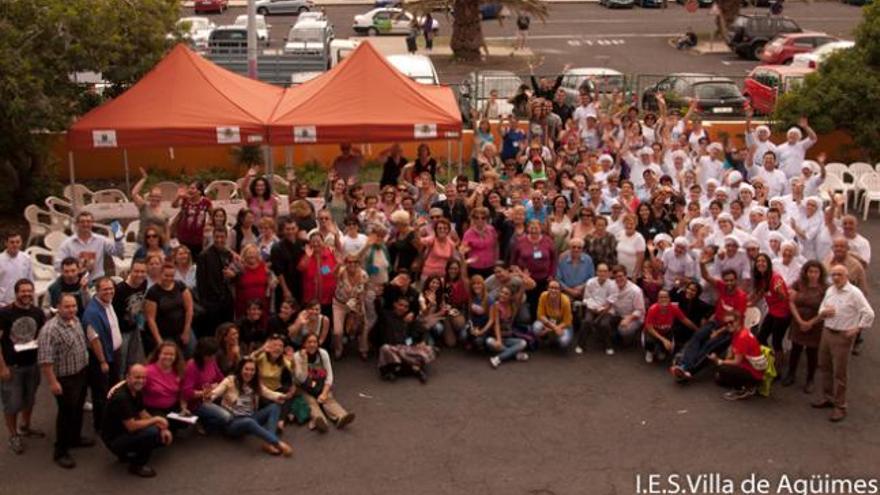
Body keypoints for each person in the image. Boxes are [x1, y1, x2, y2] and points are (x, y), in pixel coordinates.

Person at [38, 294, 108, 469]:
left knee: (77, 410)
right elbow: (46, 361)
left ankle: (75, 438)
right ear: (58, 307)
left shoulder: (76, 320)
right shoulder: (49, 330)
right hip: (65, 379)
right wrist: (53, 383)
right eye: (67, 307)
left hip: (81, 373)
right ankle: (61, 451)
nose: (71, 310)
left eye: (73, 306)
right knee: (66, 414)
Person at [812, 265, 874, 422]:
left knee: (840, 373)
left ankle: (840, 406)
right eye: (833, 275)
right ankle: (828, 397)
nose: (836, 277)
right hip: (827, 332)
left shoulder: (854, 293)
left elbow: (869, 313)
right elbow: (821, 310)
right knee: (824, 366)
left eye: (839, 274)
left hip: (842, 336)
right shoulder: (830, 290)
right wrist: (823, 313)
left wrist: (857, 328)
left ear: (846, 276)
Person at [208, 357, 293, 456]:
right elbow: (216, 393)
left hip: (250, 417)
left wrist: (282, 396)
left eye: (252, 370)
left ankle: (268, 443)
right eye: (246, 369)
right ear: (240, 369)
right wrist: (209, 395)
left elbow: (268, 392)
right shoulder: (230, 380)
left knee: (274, 407)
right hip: (233, 423)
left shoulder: (255, 382)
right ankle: (277, 443)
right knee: (249, 421)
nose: (249, 372)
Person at [101, 364, 173, 477]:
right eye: (137, 377)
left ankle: (127, 453)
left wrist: (162, 428)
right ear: (128, 377)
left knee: (159, 434)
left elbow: (142, 412)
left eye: (143, 378)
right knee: (152, 433)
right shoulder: (121, 398)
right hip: (114, 439)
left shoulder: (135, 389)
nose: (141, 380)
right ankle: (137, 465)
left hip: (122, 432)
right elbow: (132, 426)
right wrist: (156, 420)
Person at [0, 279, 46, 454]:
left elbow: (41, 335)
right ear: (16, 293)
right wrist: (2, 367)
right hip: (12, 366)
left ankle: (25, 427)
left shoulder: (38, 312)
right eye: (23, 291)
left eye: (29, 291)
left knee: (30, 398)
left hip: (32, 364)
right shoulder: (5, 313)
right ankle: (13, 435)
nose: (27, 294)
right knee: (11, 404)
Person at [81, 277, 124, 433]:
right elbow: (94, 340)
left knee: (114, 388)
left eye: (111, 288)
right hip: (103, 358)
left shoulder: (108, 303)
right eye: (105, 289)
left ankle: (112, 418)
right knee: (101, 393)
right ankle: (102, 425)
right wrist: (103, 361)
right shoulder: (92, 312)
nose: (109, 292)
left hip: (114, 354)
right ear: (97, 291)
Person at [293, 333, 355, 433]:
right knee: (311, 402)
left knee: (328, 399)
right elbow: (301, 378)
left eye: (314, 342)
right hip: (304, 387)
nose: (312, 345)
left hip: (320, 384)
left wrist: (325, 393)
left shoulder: (323, 354)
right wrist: (304, 361)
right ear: (304, 344)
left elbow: (329, 375)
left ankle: (341, 416)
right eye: (309, 342)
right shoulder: (297, 356)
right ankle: (319, 420)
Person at [783, 260, 827, 393]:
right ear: (806, 272)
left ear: (820, 273)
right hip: (798, 321)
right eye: (810, 271)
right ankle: (791, 374)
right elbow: (791, 303)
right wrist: (800, 321)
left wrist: (810, 323)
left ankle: (810, 379)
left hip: (815, 324)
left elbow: (825, 310)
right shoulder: (798, 284)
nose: (813, 274)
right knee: (796, 349)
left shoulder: (825, 288)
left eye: (816, 272)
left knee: (812, 352)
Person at [706, 312, 765, 401]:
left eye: (731, 322)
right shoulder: (739, 332)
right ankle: (744, 384)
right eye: (726, 323)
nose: (728, 325)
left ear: (739, 321)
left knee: (722, 368)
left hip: (754, 373)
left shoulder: (742, 337)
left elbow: (736, 361)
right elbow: (732, 352)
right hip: (748, 366)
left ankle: (743, 389)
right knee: (719, 378)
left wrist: (718, 360)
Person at [378, 296, 435, 382]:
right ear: (395, 305)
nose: (402, 308)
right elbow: (377, 307)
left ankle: (398, 370)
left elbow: (424, 332)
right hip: (394, 348)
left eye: (406, 307)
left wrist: (423, 341)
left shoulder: (410, 319)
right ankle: (414, 369)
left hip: (407, 349)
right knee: (385, 349)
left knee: (428, 349)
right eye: (400, 305)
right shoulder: (386, 315)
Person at [55, 211, 124, 282]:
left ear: (92, 223)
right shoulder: (67, 243)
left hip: (97, 280)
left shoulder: (101, 240)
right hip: (75, 281)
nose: (85, 224)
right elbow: (57, 265)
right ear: (77, 224)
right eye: (82, 222)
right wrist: (76, 269)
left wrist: (118, 238)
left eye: (88, 221)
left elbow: (118, 252)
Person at [144, 263, 194, 355]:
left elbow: (189, 308)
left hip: (183, 329)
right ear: (160, 274)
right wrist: (159, 340)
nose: (169, 278)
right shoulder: (153, 292)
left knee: (191, 353)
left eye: (172, 276)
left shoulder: (180, 286)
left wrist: (186, 330)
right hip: (165, 334)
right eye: (166, 275)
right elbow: (150, 319)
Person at [181, 337, 230, 431]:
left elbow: (220, 378)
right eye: (210, 355)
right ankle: (203, 423)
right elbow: (187, 393)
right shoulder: (192, 366)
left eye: (214, 354)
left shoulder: (212, 361)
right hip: (196, 403)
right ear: (202, 354)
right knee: (226, 417)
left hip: (210, 396)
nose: (213, 357)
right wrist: (206, 391)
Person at [196, 228, 236, 337]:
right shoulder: (204, 256)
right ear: (213, 237)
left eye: (222, 237)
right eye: (217, 237)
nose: (219, 240)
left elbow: (234, 276)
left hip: (227, 301)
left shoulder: (229, 254)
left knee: (227, 333)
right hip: (211, 303)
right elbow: (201, 282)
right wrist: (205, 304)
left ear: (226, 238)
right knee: (212, 334)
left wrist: (233, 276)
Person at [643, 289, 698, 364]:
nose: (663, 299)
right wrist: (663, 340)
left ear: (669, 298)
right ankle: (650, 351)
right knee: (650, 341)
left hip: (666, 331)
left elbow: (685, 320)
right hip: (653, 331)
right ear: (658, 299)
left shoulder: (674, 308)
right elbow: (649, 328)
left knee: (668, 348)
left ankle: (661, 350)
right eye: (661, 297)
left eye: (665, 297)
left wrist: (698, 330)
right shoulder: (652, 309)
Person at [332, 255, 369, 359]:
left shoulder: (363, 275)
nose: (352, 264)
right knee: (337, 331)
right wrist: (338, 264)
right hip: (340, 304)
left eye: (355, 262)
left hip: (356, 303)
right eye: (349, 262)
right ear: (346, 263)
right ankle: (338, 350)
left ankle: (363, 349)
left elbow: (365, 289)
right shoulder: (341, 271)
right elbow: (333, 274)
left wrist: (359, 304)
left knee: (364, 326)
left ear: (358, 264)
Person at [487, 286, 530, 368]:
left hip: (507, 338)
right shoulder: (496, 305)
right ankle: (514, 355)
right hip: (496, 337)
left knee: (523, 343)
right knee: (489, 341)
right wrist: (499, 340)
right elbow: (496, 325)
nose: (502, 295)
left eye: (506, 294)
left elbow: (519, 297)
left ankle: (498, 357)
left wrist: (523, 285)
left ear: (510, 297)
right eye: (502, 292)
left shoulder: (513, 306)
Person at [142, 341, 184, 418]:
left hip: (173, 409)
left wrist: (183, 408)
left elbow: (181, 394)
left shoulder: (178, 370)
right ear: (158, 354)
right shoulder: (147, 371)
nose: (168, 357)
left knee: (191, 425)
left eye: (171, 354)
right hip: (153, 410)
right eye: (165, 354)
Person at [172, 180, 212, 257]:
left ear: (199, 191)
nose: (190, 190)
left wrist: (208, 224)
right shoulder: (185, 199)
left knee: (196, 260)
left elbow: (212, 215)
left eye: (193, 188)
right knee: (183, 257)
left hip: (198, 239)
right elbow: (174, 205)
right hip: (183, 237)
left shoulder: (206, 202)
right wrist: (178, 196)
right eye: (189, 188)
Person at [531, 280, 574, 350]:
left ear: (560, 290)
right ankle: (548, 338)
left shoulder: (565, 300)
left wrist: (549, 330)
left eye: (556, 288)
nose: (553, 290)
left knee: (564, 342)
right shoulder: (543, 296)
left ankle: (554, 339)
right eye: (551, 288)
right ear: (547, 288)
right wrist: (553, 327)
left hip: (563, 324)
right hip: (548, 321)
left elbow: (567, 321)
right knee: (536, 327)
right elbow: (540, 315)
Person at [0, 233, 32, 307]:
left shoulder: (26, 258)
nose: (15, 245)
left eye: (17, 242)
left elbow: (29, 281)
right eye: (12, 242)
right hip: (3, 303)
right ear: (6, 243)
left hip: (22, 302)